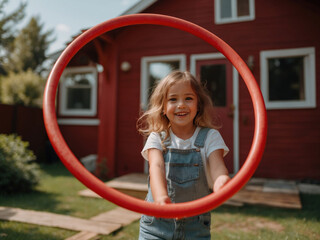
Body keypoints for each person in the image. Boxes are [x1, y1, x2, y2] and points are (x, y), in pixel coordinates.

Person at [137, 70, 230, 240]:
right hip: (156, 225)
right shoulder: (157, 137)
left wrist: (221, 182)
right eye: (173, 99)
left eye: (188, 98)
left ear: (198, 105)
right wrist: (161, 199)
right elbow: (156, 167)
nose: (181, 105)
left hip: (195, 228)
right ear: (163, 108)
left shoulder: (210, 136)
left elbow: (217, 166)